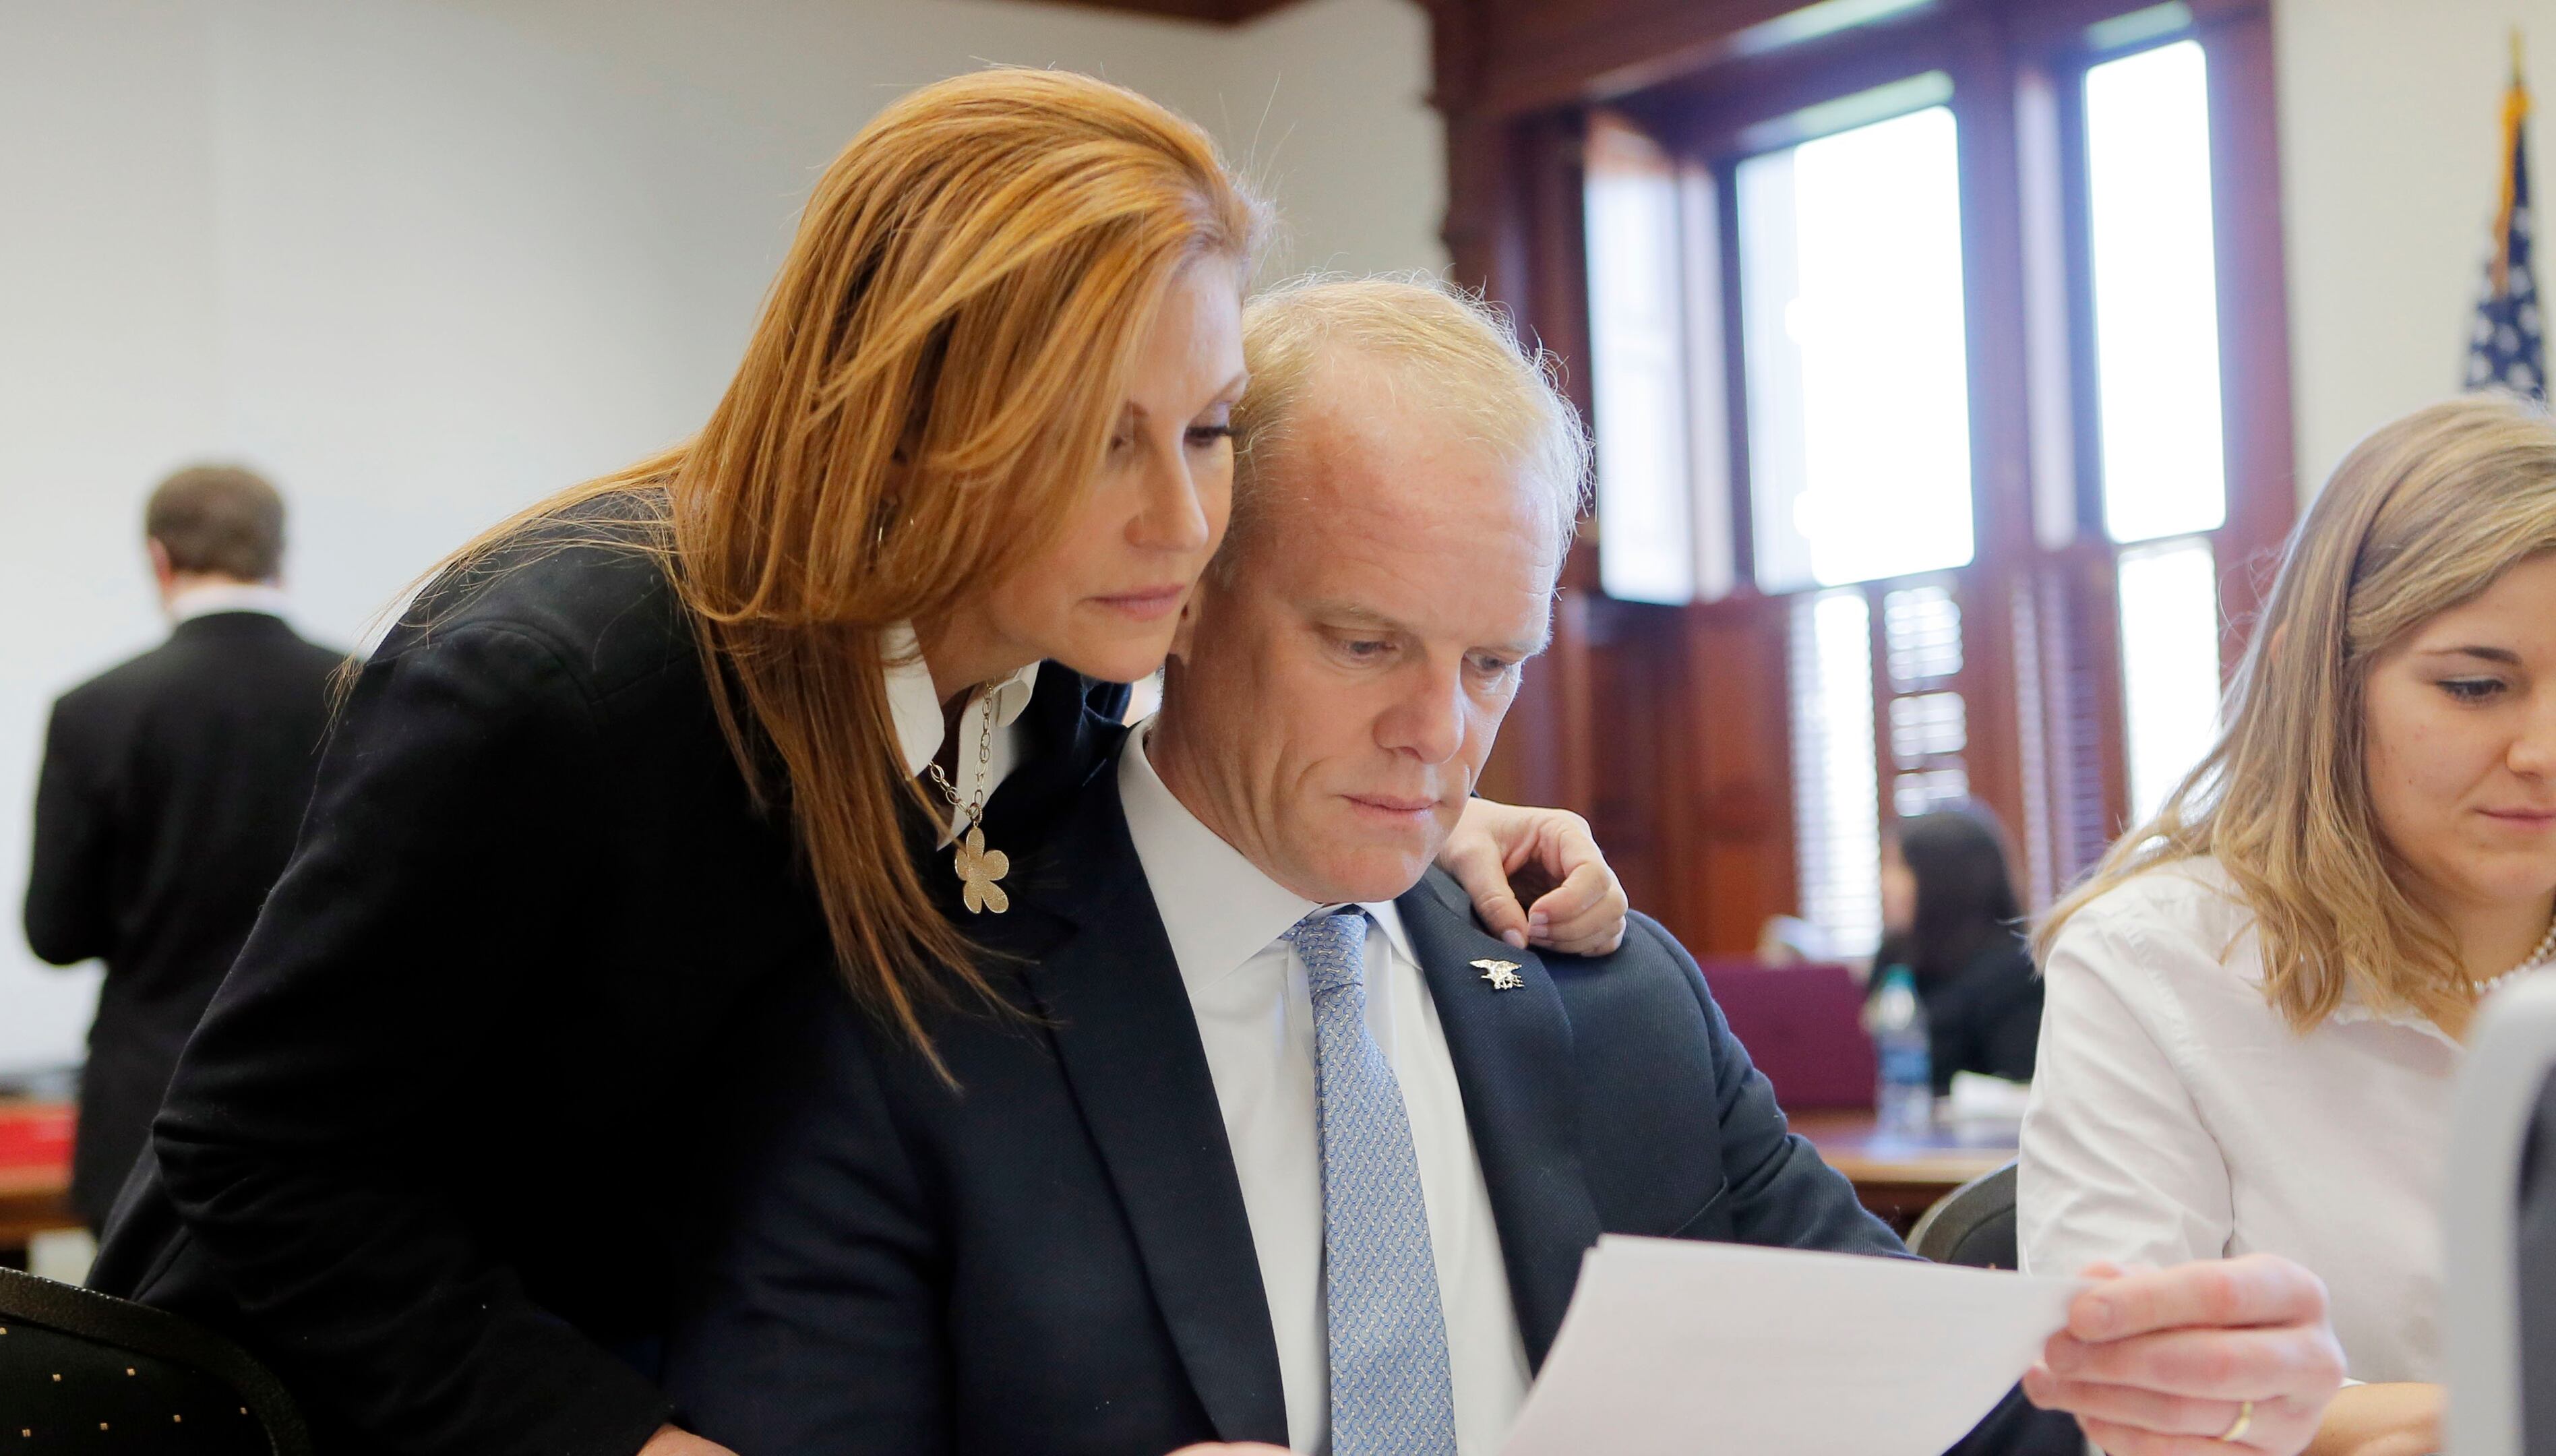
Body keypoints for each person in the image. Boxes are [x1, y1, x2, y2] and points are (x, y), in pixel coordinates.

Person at [85, 73, 1626, 1456]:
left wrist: (1429, 806)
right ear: (914, 416)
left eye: (1209, 429)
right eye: (1102, 436)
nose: (1180, 518)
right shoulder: (562, 687)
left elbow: (1237, 755)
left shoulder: (1064, 664)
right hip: (312, 1397)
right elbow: (259, 1162)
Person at [665, 276, 2348, 1456]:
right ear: (1180, 601)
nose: (1437, 733)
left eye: (1493, 661)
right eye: (1361, 641)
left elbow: (1922, 1408)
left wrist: (2154, 1408)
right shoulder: (923, 997)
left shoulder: (1600, 991)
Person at [2021, 395, 2556, 1456]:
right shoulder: (2156, 962)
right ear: (2325, 684)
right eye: (2476, 686)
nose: (2544, 750)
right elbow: (2120, 1391)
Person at [22, 464, 342, 1234]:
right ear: (280, 555)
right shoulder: (365, 688)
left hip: (152, 1110)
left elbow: (56, 934)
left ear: (159, 559)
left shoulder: (96, 711)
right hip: (326, 1098)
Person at [1874, 804, 2042, 1093]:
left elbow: (2022, 1090)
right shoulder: (1895, 957)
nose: (1884, 884)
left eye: (1899, 867)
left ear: (1942, 879)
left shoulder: (2015, 974)